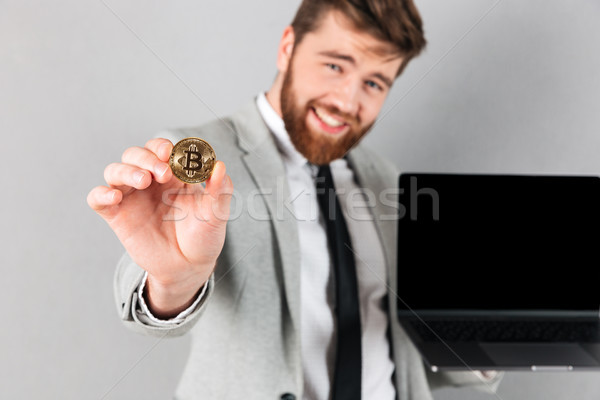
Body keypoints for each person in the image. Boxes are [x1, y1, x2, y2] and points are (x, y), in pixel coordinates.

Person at [88, 1, 501, 399]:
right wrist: (173, 282)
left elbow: (402, 347)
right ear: (288, 47)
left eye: (374, 83)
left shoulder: (389, 180)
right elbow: (149, 298)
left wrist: (495, 332)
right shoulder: (199, 155)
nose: (347, 101)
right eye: (335, 65)